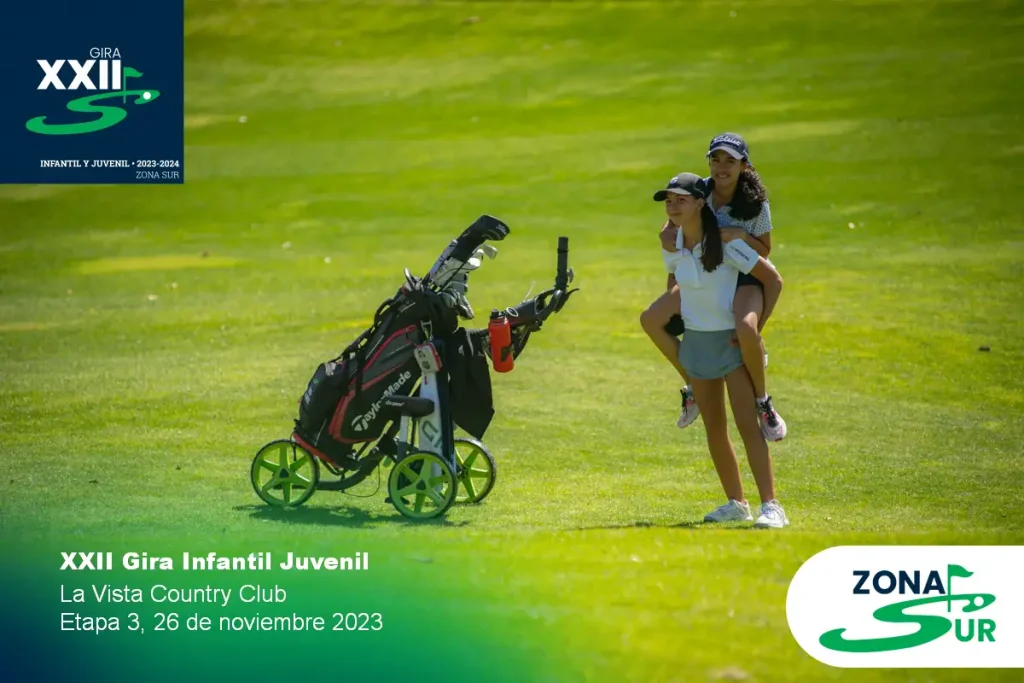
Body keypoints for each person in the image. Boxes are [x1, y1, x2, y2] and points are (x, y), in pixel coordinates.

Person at [648, 172, 789, 528]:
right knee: (715, 429)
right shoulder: (672, 244)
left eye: (681, 200)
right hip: (697, 346)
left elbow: (773, 280)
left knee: (747, 427)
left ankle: (772, 506)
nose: (672, 206)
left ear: (700, 203)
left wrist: (756, 331)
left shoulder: (727, 242)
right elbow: (675, 281)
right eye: (669, 201)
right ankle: (736, 503)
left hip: (729, 348)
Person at [640, 133, 787, 442]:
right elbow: (671, 227)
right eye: (715, 160)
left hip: (745, 274)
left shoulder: (756, 203)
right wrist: (667, 236)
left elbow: (765, 251)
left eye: (730, 161)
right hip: (707, 272)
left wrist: (740, 236)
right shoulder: (700, 190)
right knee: (651, 319)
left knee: (746, 329)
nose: (721, 167)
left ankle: (763, 403)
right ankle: (692, 385)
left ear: (744, 166)